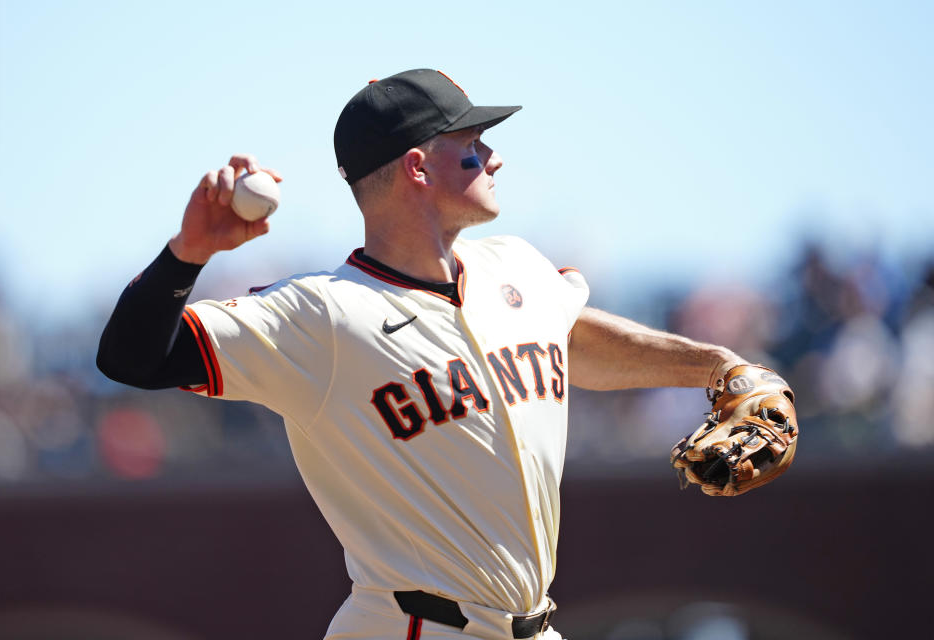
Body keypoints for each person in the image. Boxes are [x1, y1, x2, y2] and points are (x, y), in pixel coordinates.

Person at [97, 69, 743, 640]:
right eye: (472, 145)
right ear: (417, 168)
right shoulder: (323, 315)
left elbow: (567, 339)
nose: (493, 159)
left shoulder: (513, 268)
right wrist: (189, 252)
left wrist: (721, 369)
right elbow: (133, 359)